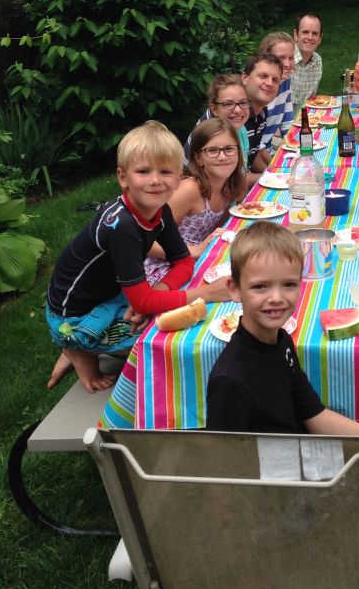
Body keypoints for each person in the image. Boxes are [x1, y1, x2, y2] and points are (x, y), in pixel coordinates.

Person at [206, 222, 359, 470]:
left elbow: (313, 413)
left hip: (295, 451)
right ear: (235, 289)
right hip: (277, 476)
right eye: (260, 286)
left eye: (289, 284)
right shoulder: (230, 381)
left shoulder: (281, 340)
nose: (276, 298)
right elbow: (225, 469)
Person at [45, 121, 230, 394]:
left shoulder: (160, 210)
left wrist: (156, 293)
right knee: (158, 338)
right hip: (73, 316)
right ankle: (77, 347)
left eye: (165, 171)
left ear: (178, 178)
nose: (155, 180)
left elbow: (183, 261)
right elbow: (145, 300)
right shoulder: (121, 226)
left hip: (111, 295)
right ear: (123, 177)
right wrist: (208, 293)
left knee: (168, 314)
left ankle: (85, 344)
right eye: (143, 171)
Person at [145, 119, 246, 287]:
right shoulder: (189, 190)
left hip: (200, 258)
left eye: (229, 149)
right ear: (198, 158)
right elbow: (148, 242)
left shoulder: (229, 186)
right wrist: (194, 251)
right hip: (165, 266)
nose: (222, 157)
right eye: (212, 151)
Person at [184, 74, 251, 165]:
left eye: (243, 102)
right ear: (214, 109)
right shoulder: (210, 138)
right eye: (228, 104)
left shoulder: (240, 129)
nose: (238, 110)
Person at [241, 53, 283, 172]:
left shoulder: (261, 113)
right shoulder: (235, 113)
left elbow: (252, 157)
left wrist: (276, 172)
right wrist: (276, 176)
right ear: (245, 78)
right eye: (263, 76)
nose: (269, 83)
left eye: (275, 80)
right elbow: (232, 179)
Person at [258, 32, 296, 151]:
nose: (287, 64)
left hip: (269, 149)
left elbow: (287, 122)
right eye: (281, 58)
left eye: (291, 58)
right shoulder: (258, 88)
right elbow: (255, 144)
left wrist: (296, 149)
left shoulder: (285, 81)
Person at [290, 13, 323, 112]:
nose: (310, 37)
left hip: (306, 117)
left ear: (320, 38)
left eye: (314, 33)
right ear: (296, 35)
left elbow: (311, 101)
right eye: (305, 32)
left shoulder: (317, 61)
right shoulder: (285, 60)